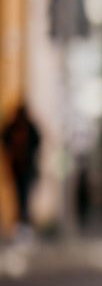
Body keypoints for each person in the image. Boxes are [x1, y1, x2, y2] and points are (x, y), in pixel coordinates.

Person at [2, 103, 42, 241]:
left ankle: (24, 226)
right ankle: (21, 225)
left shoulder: (26, 127)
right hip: (19, 168)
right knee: (21, 197)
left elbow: (38, 140)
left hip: (25, 168)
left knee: (24, 197)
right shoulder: (16, 126)